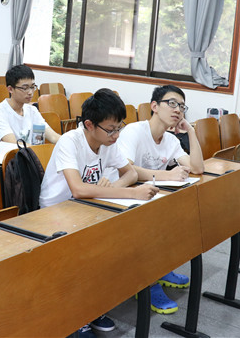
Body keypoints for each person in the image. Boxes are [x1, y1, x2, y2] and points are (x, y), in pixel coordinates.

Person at [39, 88, 157, 336]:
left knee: (117, 242)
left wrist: (112, 188)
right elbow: (78, 189)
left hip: (86, 209)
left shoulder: (107, 142)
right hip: (54, 215)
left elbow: (131, 173)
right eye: (111, 129)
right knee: (90, 250)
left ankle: (92, 306)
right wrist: (130, 193)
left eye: (119, 127)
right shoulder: (70, 141)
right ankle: (75, 317)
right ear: (89, 125)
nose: (116, 135)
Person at [115, 84, 204, 314]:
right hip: (124, 198)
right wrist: (167, 175)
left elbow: (197, 168)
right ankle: (148, 283)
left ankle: (161, 269)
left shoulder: (171, 140)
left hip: (150, 199)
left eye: (182, 106)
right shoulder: (135, 131)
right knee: (151, 226)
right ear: (154, 106)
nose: (177, 110)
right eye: (172, 103)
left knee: (178, 217)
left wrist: (190, 131)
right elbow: (126, 169)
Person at [0, 64, 60, 145]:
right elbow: (14, 144)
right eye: (25, 88)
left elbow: (53, 137)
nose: (30, 92)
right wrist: (37, 150)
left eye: (32, 87)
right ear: (10, 89)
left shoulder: (32, 110)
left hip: (30, 152)